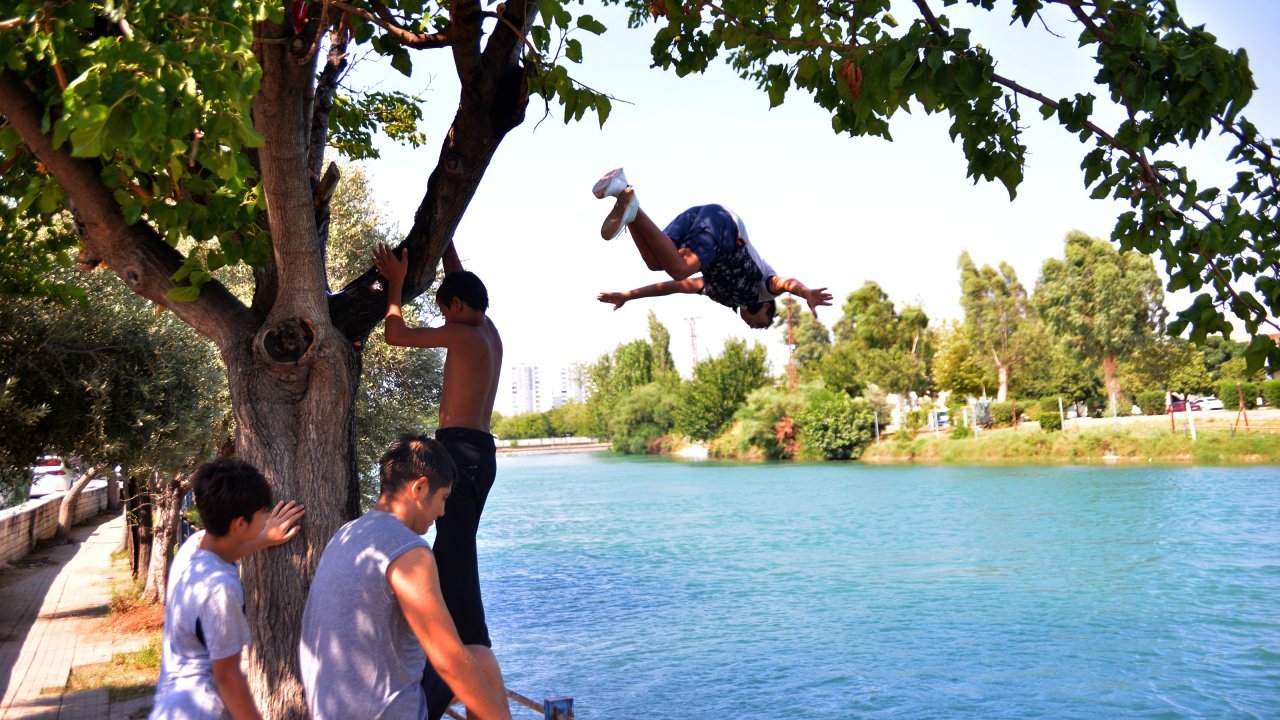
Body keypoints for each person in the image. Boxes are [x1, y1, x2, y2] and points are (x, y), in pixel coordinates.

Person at [371, 243, 506, 719]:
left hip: (460, 458)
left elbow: (395, 334)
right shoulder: (487, 330)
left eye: (444, 308)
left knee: (461, 591)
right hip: (479, 456)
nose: (444, 316)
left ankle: (470, 693)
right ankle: (445, 679)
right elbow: (461, 283)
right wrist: (445, 242)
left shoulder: (462, 335)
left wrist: (395, 283)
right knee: (452, 573)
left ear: (453, 308)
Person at [299, 435, 511, 720]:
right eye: (443, 498)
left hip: (327, 711)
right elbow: (447, 658)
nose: (442, 512)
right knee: (478, 661)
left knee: (476, 658)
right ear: (420, 488)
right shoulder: (408, 550)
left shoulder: (347, 534)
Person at [150, 458, 304, 720]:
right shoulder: (220, 590)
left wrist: (265, 538)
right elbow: (228, 677)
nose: (266, 519)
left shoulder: (191, 551)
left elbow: (227, 550)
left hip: (169, 705)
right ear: (240, 524)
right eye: (262, 515)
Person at [592, 167, 833, 328]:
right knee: (680, 267)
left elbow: (671, 288)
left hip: (701, 218)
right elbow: (786, 283)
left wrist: (628, 295)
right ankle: (630, 207)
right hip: (725, 227)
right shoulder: (764, 290)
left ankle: (625, 195)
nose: (752, 326)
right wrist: (806, 292)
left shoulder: (719, 293)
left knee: (656, 262)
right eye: (760, 323)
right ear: (767, 307)